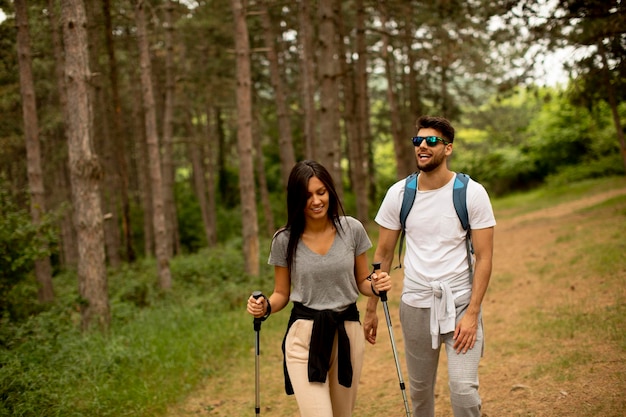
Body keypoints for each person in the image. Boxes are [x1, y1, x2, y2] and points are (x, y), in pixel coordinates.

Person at [364, 116, 496, 417]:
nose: (422, 145)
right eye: (418, 141)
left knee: (463, 391)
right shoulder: (399, 194)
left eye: (431, 141)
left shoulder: (472, 193)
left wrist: (473, 313)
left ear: (447, 148)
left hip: (460, 304)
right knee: (420, 393)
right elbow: (382, 255)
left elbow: (485, 258)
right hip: (416, 306)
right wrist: (370, 309)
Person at [247, 160, 391, 417]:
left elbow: (362, 281)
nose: (315, 201)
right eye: (307, 195)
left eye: (321, 192)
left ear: (330, 192)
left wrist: (376, 284)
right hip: (304, 336)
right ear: (296, 199)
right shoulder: (284, 240)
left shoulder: (352, 229)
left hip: (347, 333)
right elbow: (281, 293)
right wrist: (265, 306)